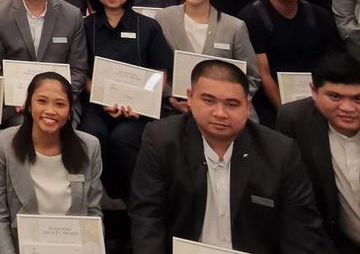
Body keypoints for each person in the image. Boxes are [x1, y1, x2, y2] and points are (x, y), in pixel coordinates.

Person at [130, 60, 324, 254]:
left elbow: (301, 231)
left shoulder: (280, 151)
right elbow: (147, 217)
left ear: (247, 106)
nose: (220, 113)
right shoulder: (162, 139)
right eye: (209, 101)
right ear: (190, 97)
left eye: (232, 104)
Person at [77, 0, 172, 202]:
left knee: (124, 138)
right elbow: (82, 72)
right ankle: (112, 195)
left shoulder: (148, 26)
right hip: (98, 105)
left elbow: (161, 72)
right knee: (91, 135)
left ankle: (136, 202)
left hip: (140, 109)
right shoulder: (85, 26)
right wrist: (104, 98)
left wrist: (141, 102)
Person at [0, 72, 103, 254]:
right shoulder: (2, 144)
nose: (50, 110)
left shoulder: (89, 146)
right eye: (42, 101)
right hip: (14, 247)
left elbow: (93, 213)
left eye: (60, 104)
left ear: (69, 112)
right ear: (29, 105)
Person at [238, 0, 341, 125]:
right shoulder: (251, 17)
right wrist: (288, 114)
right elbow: (263, 73)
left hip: (316, 97)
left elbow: (331, 64)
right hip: (268, 104)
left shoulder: (320, 16)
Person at [275, 52, 360, 254]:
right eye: (335, 97)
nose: (348, 108)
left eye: (358, 98)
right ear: (313, 91)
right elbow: (295, 205)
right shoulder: (294, 120)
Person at [0, 0, 89, 112]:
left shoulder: (72, 16)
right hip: (16, 106)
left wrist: (59, 101)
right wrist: (15, 98)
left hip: (60, 105)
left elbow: (78, 69)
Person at [155, 0, 261, 110]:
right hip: (174, 109)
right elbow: (154, 68)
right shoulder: (163, 18)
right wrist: (169, 96)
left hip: (225, 111)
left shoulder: (234, 27)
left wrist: (229, 103)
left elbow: (252, 76)